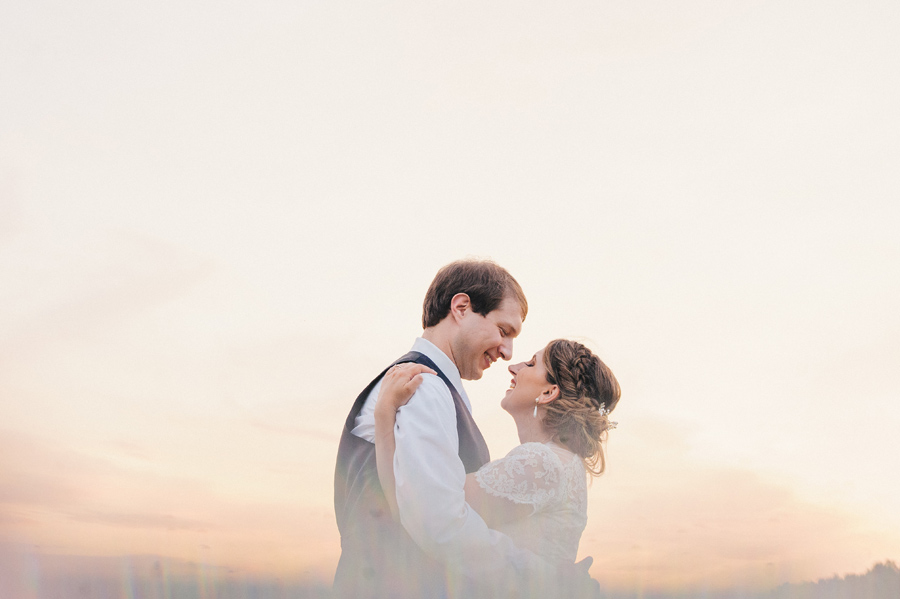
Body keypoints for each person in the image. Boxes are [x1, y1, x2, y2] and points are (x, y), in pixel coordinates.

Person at [334, 259, 561, 599]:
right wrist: (538, 578)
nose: (507, 351)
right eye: (503, 330)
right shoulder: (422, 386)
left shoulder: (430, 386)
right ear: (461, 308)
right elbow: (438, 521)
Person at [375, 339, 620, 569]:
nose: (513, 367)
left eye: (531, 364)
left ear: (548, 393)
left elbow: (424, 510)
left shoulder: (542, 464)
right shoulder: (563, 463)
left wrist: (385, 411)